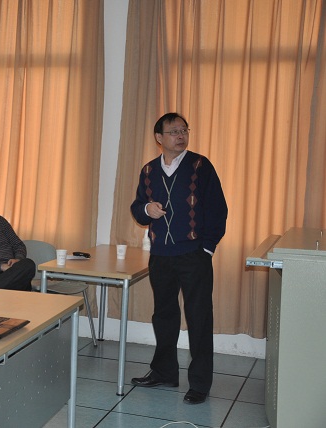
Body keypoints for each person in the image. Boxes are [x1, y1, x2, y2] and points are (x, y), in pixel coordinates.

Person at [130, 112, 228, 405]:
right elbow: (138, 208)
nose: (181, 135)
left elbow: (218, 209)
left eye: (184, 130)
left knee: (199, 318)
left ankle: (199, 383)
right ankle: (164, 372)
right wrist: (147, 209)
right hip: (161, 255)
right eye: (174, 131)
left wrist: (206, 248)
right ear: (159, 138)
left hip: (194, 255)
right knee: (164, 316)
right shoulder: (149, 170)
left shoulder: (200, 166)